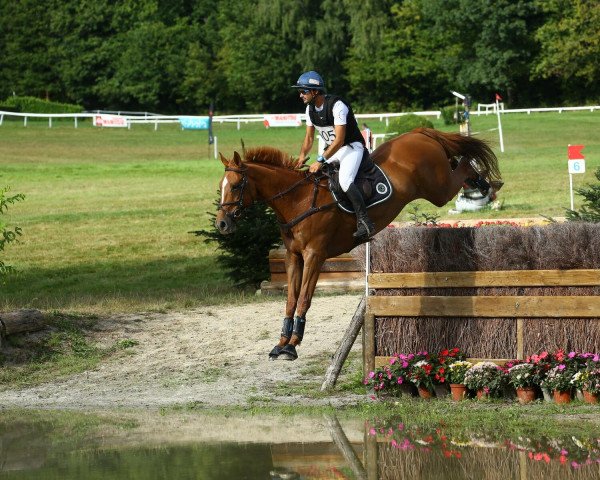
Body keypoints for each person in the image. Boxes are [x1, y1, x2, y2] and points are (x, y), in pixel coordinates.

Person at [292, 71, 374, 241]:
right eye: (300, 91)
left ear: (315, 92)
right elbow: (308, 138)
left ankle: (364, 222)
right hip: (335, 150)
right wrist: (301, 157)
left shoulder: (337, 105)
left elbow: (339, 139)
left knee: (344, 181)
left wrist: (321, 160)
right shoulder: (310, 109)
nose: (300, 95)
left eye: (304, 91)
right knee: (318, 178)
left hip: (352, 147)